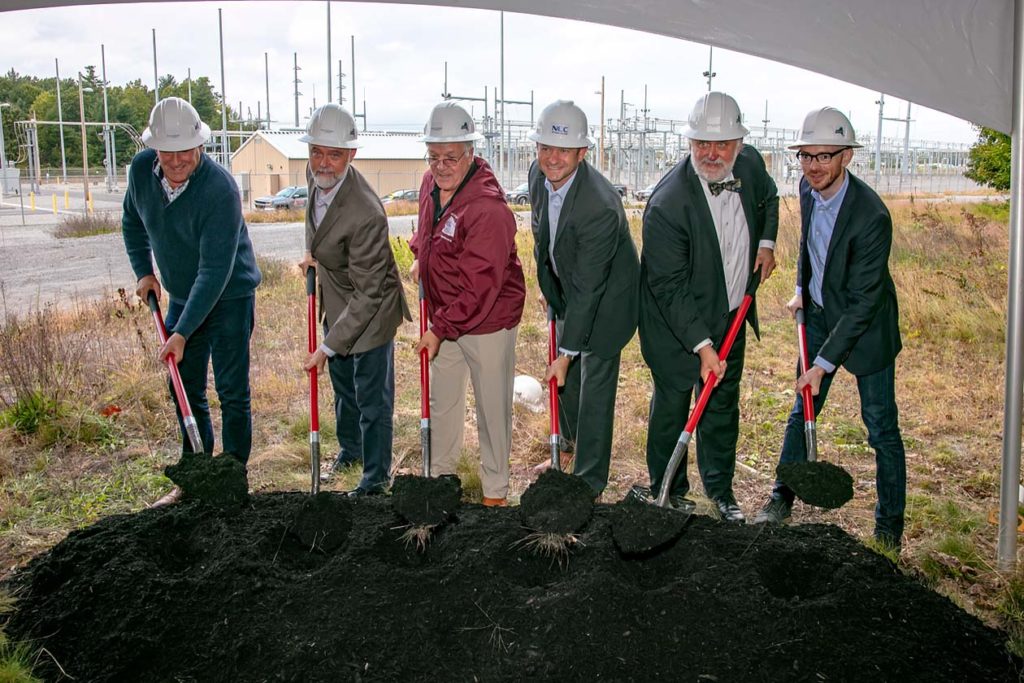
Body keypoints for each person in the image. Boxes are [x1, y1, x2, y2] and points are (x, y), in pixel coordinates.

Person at [751, 107, 906, 549]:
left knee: (881, 428)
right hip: (819, 314)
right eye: (806, 156)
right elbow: (808, 244)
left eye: (824, 156)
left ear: (846, 158)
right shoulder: (806, 187)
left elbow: (863, 304)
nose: (813, 166)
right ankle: (781, 497)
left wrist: (822, 364)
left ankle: (888, 529)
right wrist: (802, 286)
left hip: (867, 329)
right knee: (803, 411)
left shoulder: (871, 217)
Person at [639, 91, 778, 522]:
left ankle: (721, 491)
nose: (711, 153)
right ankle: (669, 489)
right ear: (690, 142)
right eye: (702, 144)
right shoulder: (667, 205)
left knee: (720, 407)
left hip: (730, 314)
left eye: (721, 144)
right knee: (673, 405)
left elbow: (770, 198)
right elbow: (669, 286)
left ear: (739, 144)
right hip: (675, 324)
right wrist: (702, 347)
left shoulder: (750, 165)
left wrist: (767, 243)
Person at [122, 97, 262, 506]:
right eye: (169, 151)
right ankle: (195, 474)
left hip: (231, 294)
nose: (179, 160)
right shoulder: (140, 173)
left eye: (187, 150)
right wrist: (144, 272)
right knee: (183, 385)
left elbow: (214, 271)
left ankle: (232, 478)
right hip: (185, 293)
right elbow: (132, 222)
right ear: (155, 148)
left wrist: (181, 331)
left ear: (200, 144)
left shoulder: (219, 189)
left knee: (233, 389)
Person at [410, 101, 526, 507]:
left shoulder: (487, 209)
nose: (441, 166)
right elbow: (428, 228)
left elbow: (481, 287)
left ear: (471, 154)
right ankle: (441, 480)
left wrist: (439, 329)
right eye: (435, 156)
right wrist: (418, 255)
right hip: (447, 315)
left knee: (492, 406)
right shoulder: (429, 183)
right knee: (443, 401)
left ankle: (495, 492)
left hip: (488, 320)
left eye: (451, 157)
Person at [527, 99, 639, 497]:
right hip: (569, 290)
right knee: (567, 384)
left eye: (562, 150)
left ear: (582, 153)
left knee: (591, 387)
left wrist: (568, 350)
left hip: (608, 301)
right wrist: (549, 290)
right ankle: (567, 451)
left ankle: (588, 483)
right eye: (545, 148)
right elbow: (544, 238)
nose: (552, 158)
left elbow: (592, 288)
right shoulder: (537, 176)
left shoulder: (600, 205)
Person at [297, 103, 411, 496]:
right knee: (343, 386)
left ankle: (376, 477)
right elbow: (314, 222)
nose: (323, 163)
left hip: (372, 306)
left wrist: (327, 347)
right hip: (338, 294)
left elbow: (368, 293)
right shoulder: (314, 177)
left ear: (351, 155)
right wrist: (313, 252)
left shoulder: (366, 212)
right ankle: (351, 450)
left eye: (334, 154)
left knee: (371, 395)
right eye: (316, 152)